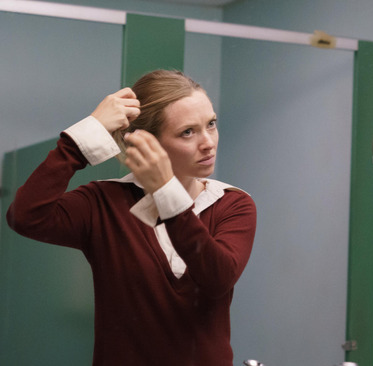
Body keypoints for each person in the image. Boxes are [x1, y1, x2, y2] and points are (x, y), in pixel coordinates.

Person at [6, 69, 256, 366]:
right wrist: (80, 141)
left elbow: (217, 278)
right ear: (148, 142)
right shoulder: (103, 202)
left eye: (211, 124)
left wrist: (166, 192)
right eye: (188, 131)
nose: (208, 142)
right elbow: (26, 216)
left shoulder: (232, 203)